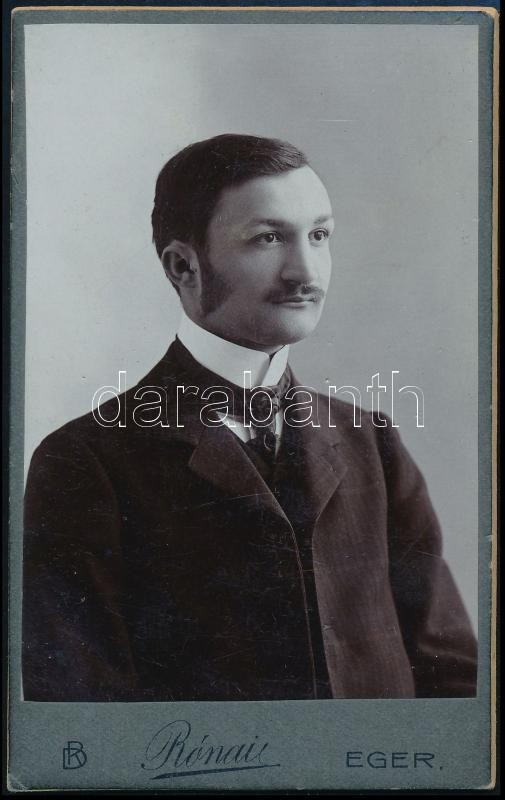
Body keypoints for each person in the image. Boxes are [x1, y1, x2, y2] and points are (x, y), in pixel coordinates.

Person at [22, 133, 477, 702]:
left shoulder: (371, 442)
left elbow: (453, 679)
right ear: (183, 266)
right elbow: (82, 712)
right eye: (268, 238)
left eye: (319, 235)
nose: (305, 272)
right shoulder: (86, 461)